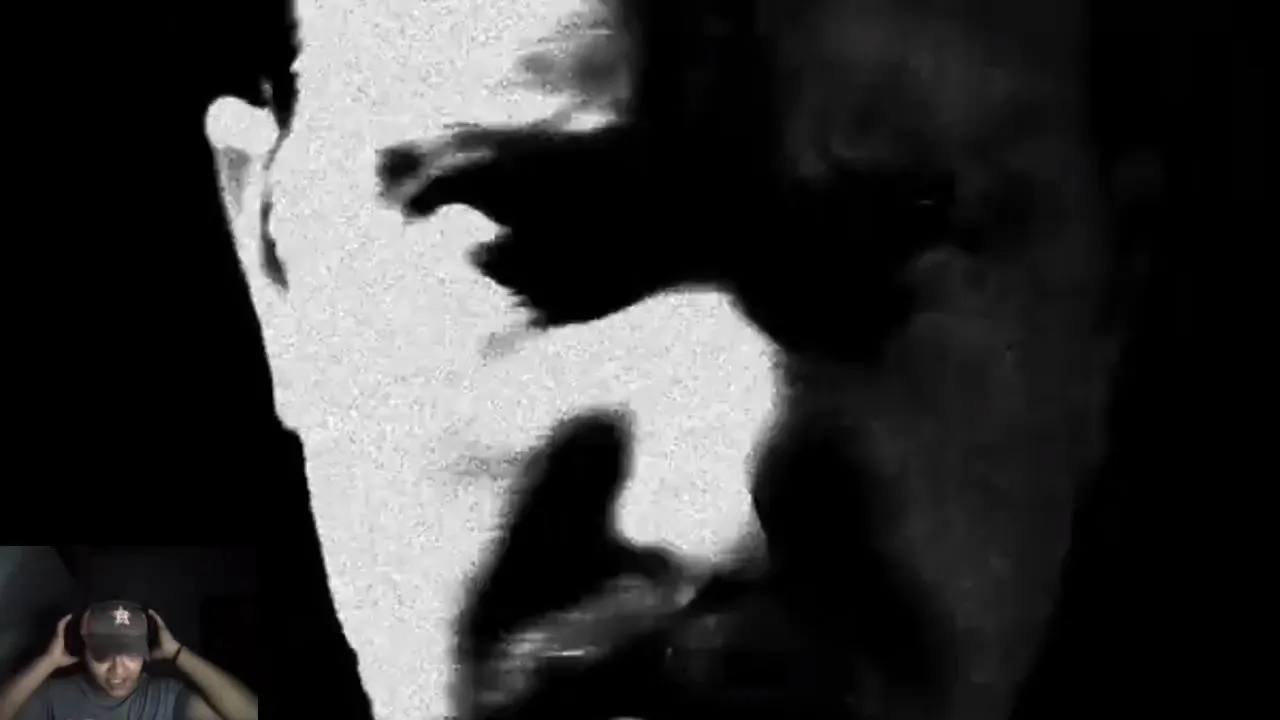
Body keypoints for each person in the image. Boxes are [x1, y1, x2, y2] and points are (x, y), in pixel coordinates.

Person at [0, 600, 258, 720]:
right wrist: (49, 660)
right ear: (82, 651)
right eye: (102, 654)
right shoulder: (54, 696)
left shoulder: (167, 698)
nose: (117, 670)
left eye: (131, 654)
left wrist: (178, 653)